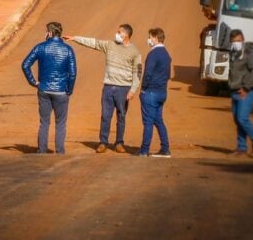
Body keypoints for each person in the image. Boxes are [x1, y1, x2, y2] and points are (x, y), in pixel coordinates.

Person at [64, 24, 142, 154]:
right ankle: (103, 142)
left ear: (126, 35)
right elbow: (93, 43)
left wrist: (133, 90)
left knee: (121, 116)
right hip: (108, 87)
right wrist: (75, 38)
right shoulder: (109, 45)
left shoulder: (135, 52)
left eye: (119, 32)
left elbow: (137, 73)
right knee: (105, 116)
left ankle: (119, 143)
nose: (116, 34)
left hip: (124, 89)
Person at [21, 22, 77, 155]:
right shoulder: (68, 49)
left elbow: (25, 65)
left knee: (44, 122)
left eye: (46, 31)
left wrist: (34, 82)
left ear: (50, 33)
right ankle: (59, 151)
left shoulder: (40, 47)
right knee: (61, 123)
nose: (45, 34)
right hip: (61, 91)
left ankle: (42, 150)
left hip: (44, 89)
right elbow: (73, 73)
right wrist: (69, 90)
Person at [228, 29, 253, 157]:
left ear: (242, 40)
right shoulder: (233, 53)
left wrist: (246, 88)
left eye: (238, 41)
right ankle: (241, 148)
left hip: (246, 92)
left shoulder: (249, 53)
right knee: (238, 120)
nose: (235, 43)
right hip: (235, 91)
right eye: (233, 41)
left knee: (242, 118)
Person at [138, 28, 172, 158]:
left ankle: (144, 150)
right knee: (158, 120)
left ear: (156, 38)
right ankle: (165, 149)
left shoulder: (153, 54)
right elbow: (168, 75)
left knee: (148, 122)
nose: (149, 39)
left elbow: (148, 73)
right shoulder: (166, 54)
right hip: (162, 92)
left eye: (150, 37)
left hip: (150, 92)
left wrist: (143, 88)